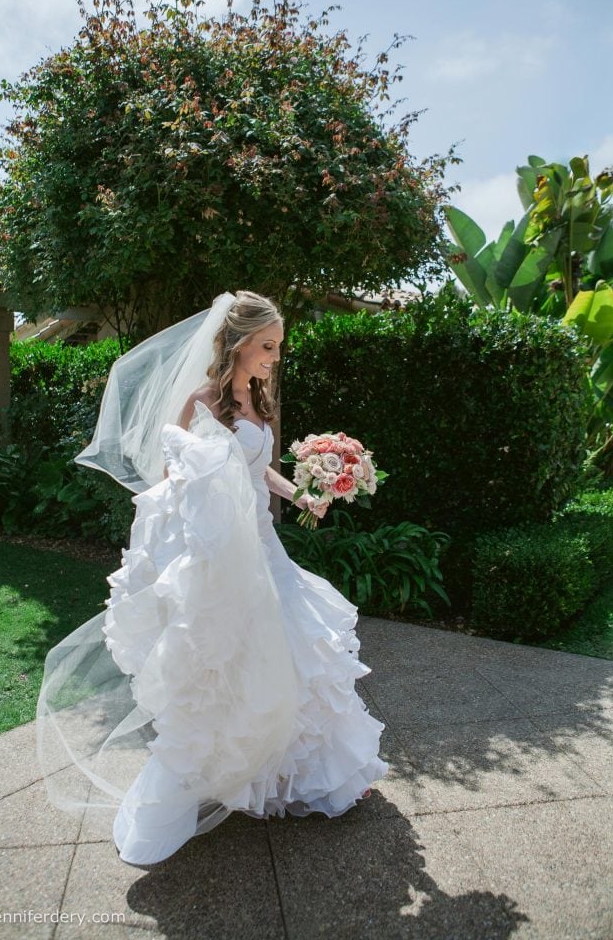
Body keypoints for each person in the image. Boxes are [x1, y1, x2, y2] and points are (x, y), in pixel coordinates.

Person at [36, 289, 389, 866]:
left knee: (296, 654)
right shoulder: (202, 401)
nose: (275, 355)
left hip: (264, 546)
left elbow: (261, 469)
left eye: (278, 346)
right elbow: (174, 473)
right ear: (238, 345)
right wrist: (206, 493)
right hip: (226, 553)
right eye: (267, 346)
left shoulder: (260, 397)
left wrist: (301, 491)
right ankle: (210, 777)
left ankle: (290, 781)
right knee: (232, 662)